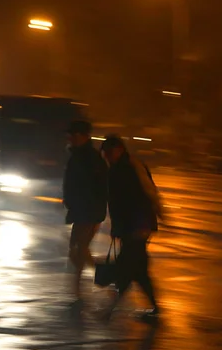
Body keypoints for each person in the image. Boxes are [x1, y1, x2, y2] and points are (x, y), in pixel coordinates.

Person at [100, 135, 162, 318]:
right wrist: (116, 227)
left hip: (137, 227)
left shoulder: (130, 168)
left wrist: (141, 228)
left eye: (109, 153)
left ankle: (111, 308)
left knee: (128, 264)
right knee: (138, 267)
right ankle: (154, 306)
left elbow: (142, 199)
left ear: (119, 149)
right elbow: (117, 203)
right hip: (130, 226)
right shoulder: (118, 168)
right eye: (105, 154)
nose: (107, 157)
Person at [63, 119, 108, 299]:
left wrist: (93, 210)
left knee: (79, 249)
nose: (71, 138)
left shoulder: (90, 157)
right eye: (71, 135)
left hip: (88, 211)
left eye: (74, 135)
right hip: (81, 210)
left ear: (83, 136)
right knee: (77, 249)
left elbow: (99, 186)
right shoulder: (79, 155)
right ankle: (101, 277)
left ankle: (79, 287)